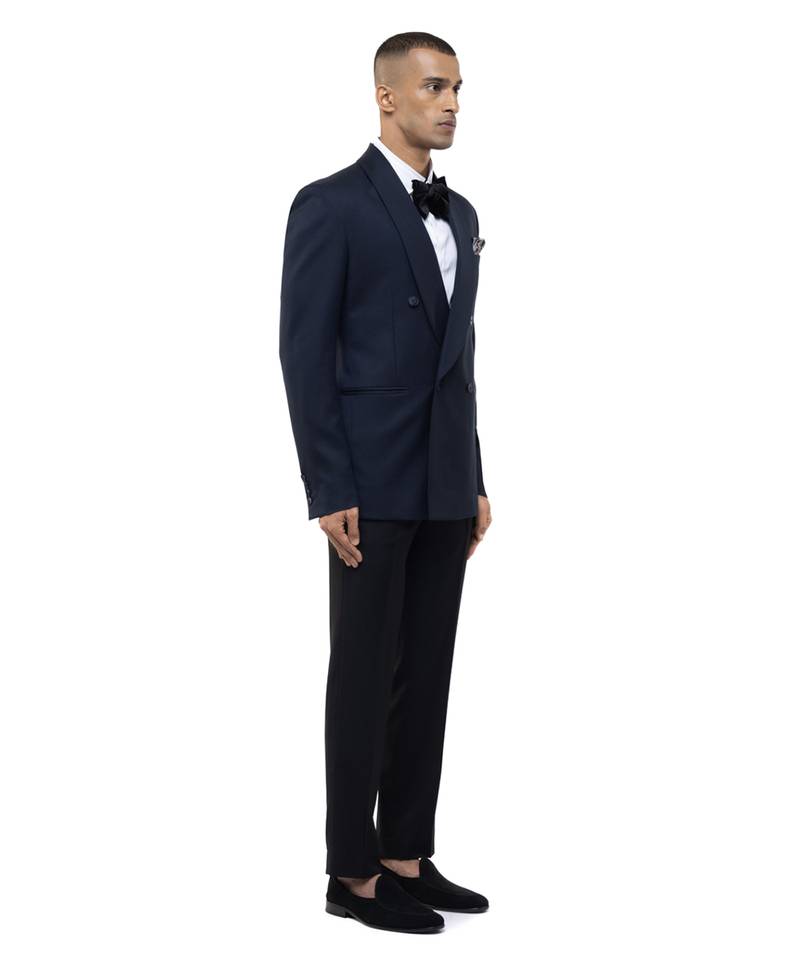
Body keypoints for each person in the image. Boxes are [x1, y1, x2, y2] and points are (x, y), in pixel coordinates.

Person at [279, 31, 492, 934]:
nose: (451, 104)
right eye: (434, 87)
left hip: (443, 480)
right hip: (366, 484)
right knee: (364, 675)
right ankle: (352, 874)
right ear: (387, 96)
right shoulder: (330, 204)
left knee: (428, 673)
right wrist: (328, 486)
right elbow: (303, 354)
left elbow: (459, 358)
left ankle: (405, 852)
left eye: (458, 89)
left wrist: (475, 473)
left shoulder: (461, 211)